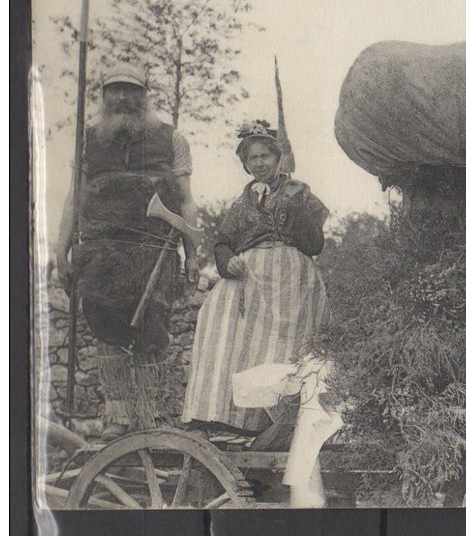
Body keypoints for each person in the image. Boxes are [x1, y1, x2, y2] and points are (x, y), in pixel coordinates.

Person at [55, 63, 199, 441]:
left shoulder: (172, 139)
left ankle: (148, 415)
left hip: (154, 251)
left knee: (153, 332)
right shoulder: (87, 141)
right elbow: (74, 197)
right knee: (107, 331)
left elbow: (186, 202)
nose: (121, 97)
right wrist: (60, 251)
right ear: (102, 97)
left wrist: (193, 253)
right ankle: (117, 416)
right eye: (113, 90)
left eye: (130, 90)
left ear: (143, 96)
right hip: (100, 253)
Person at [182, 120, 329, 434]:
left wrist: (297, 204)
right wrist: (227, 261)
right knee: (215, 315)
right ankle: (225, 416)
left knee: (282, 347)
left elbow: (314, 244)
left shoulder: (299, 192)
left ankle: (272, 422)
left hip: (292, 279)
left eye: (265, 156)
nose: (260, 163)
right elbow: (221, 242)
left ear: (278, 158)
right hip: (250, 277)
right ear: (245, 165)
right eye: (253, 159)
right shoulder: (241, 204)